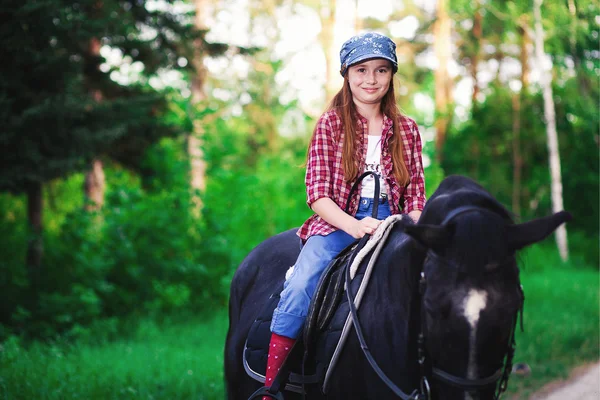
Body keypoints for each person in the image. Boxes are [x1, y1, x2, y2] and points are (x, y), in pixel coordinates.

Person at [262, 31, 426, 396]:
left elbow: (415, 193)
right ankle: (272, 385)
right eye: (362, 70)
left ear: (391, 76)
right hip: (339, 221)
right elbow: (318, 195)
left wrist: (411, 224)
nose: (372, 80)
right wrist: (354, 226)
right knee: (302, 282)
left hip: (394, 224)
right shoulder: (331, 124)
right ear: (347, 74)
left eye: (382, 70)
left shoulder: (408, 128)